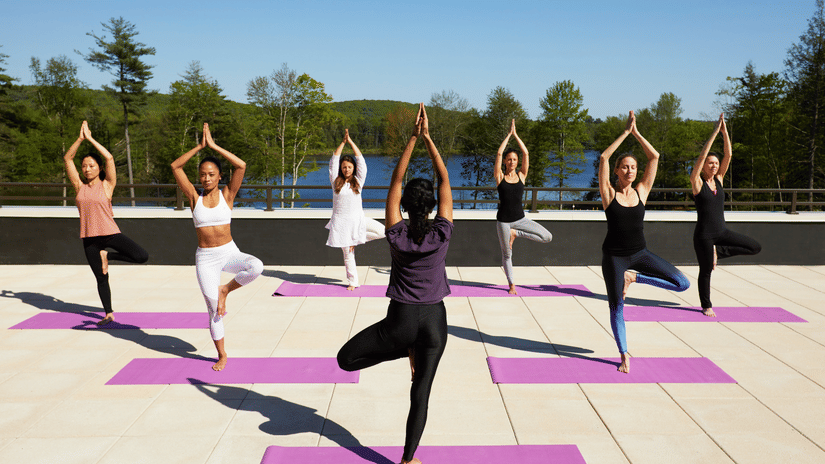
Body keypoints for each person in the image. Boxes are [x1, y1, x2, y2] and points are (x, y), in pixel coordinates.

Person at [337, 103, 452, 464]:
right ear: (432, 205)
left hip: (401, 321)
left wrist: (412, 139)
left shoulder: (396, 232)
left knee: (346, 359)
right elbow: (446, 180)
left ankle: (404, 348)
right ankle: (407, 459)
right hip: (435, 323)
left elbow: (395, 181)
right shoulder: (443, 231)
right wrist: (429, 140)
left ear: (404, 205)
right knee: (421, 394)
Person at [598, 111, 690, 373]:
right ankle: (624, 353)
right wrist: (625, 133)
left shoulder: (641, 191)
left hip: (640, 254)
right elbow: (604, 157)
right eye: (624, 167)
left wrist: (637, 134)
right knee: (617, 308)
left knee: (682, 283)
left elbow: (655, 157)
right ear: (616, 171)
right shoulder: (609, 194)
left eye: (633, 167)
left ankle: (634, 278)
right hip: (614, 258)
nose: (629, 170)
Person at [171, 123, 263, 371]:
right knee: (214, 310)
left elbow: (241, 166)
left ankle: (226, 290)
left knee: (256, 266)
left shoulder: (228, 195)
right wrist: (199, 147)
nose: (207, 178)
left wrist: (213, 146)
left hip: (229, 252)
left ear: (219, 176)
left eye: (212, 174)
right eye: (202, 174)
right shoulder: (194, 197)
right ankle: (222, 354)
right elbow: (175, 167)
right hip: (206, 259)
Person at [63, 121, 149, 326]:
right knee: (101, 278)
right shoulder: (79, 186)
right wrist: (80, 138)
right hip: (89, 239)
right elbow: (68, 158)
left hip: (110, 233)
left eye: (91, 165)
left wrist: (91, 138)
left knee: (141, 256)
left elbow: (109, 157)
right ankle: (108, 313)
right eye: (84, 166)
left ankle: (107, 255)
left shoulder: (107, 185)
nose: (86, 169)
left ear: (99, 168)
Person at [691, 113, 761, 317]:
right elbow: (702, 156)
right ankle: (706, 305)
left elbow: (728, 155)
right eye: (709, 163)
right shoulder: (697, 183)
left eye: (715, 163)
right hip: (704, 235)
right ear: (704, 166)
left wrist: (724, 131)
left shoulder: (720, 179)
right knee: (705, 272)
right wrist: (714, 133)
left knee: (755, 247)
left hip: (721, 233)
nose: (713, 165)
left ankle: (718, 252)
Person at [494, 119, 552, 294]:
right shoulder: (500, 177)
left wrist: (516, 135)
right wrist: (508, 136)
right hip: (503, 222)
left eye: (514, 159)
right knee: (507, 255)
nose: (512, 162)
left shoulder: (522, 176)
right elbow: (498, 153)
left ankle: (517, 234)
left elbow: (526, 153)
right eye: (509, 159)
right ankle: (511, 284)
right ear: (505, 161)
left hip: (520, 220)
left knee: (547, 236)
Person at [326, 129, 385, 290]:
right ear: (341, 168)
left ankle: (356, 238)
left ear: (353, 168)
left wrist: (351, 142)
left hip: (358, 220)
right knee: (348, 255)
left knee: (384, 231)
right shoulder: (335, 182)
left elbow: (362, 161)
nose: (347, 169)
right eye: (344, 167)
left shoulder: (358, 180)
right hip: (342, 223)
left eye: (349, 167)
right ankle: (353, 282)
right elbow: (333, 161)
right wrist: (342, 143)